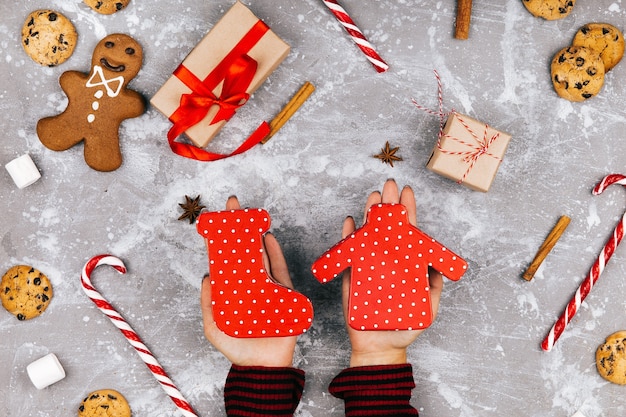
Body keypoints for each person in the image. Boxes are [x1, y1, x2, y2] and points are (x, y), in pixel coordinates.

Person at [200, 179, 444, 416]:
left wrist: (260, 384)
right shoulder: (389, 237)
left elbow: (328, 265)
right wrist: (382, 358)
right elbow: (449, 263)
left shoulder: (383, 237)